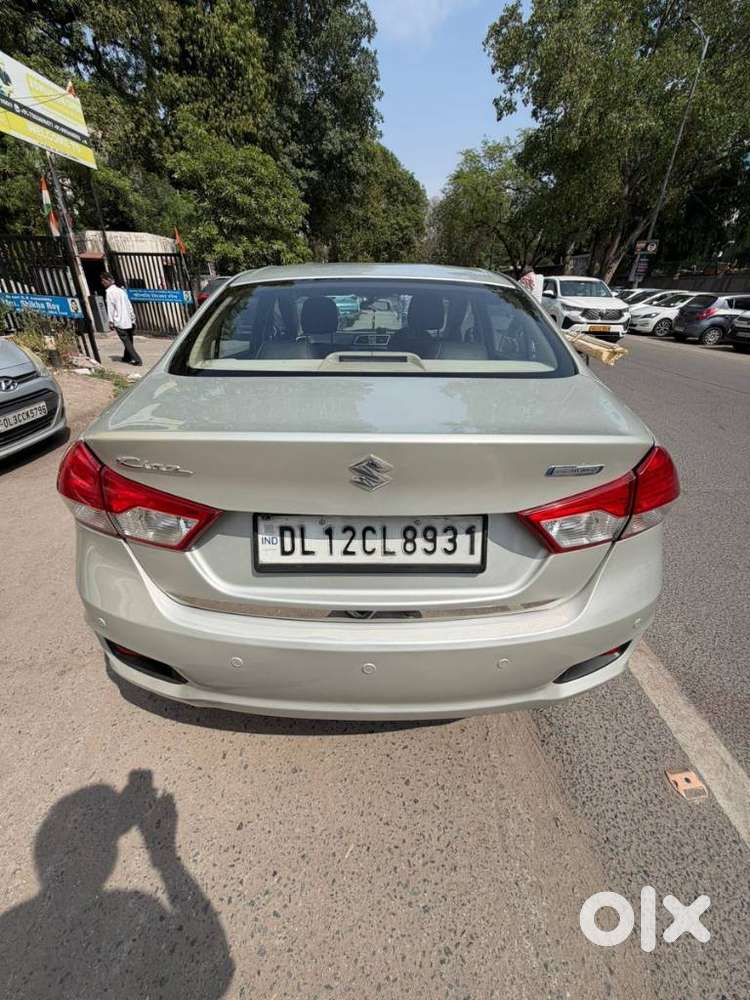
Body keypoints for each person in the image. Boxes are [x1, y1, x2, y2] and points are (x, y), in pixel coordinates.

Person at [101, 272, 142, 365]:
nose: (102, 283)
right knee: (129, 340)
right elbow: (129, 305)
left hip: (119, 321)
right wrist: (133, 318)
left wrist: (110, 321)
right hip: (128, 320)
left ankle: (137, 359)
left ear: (109, 280)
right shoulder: (121, 291)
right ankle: (126, 357)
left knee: (126, 341)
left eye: (103, 281)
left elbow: (110, 308)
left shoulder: (109, 292)